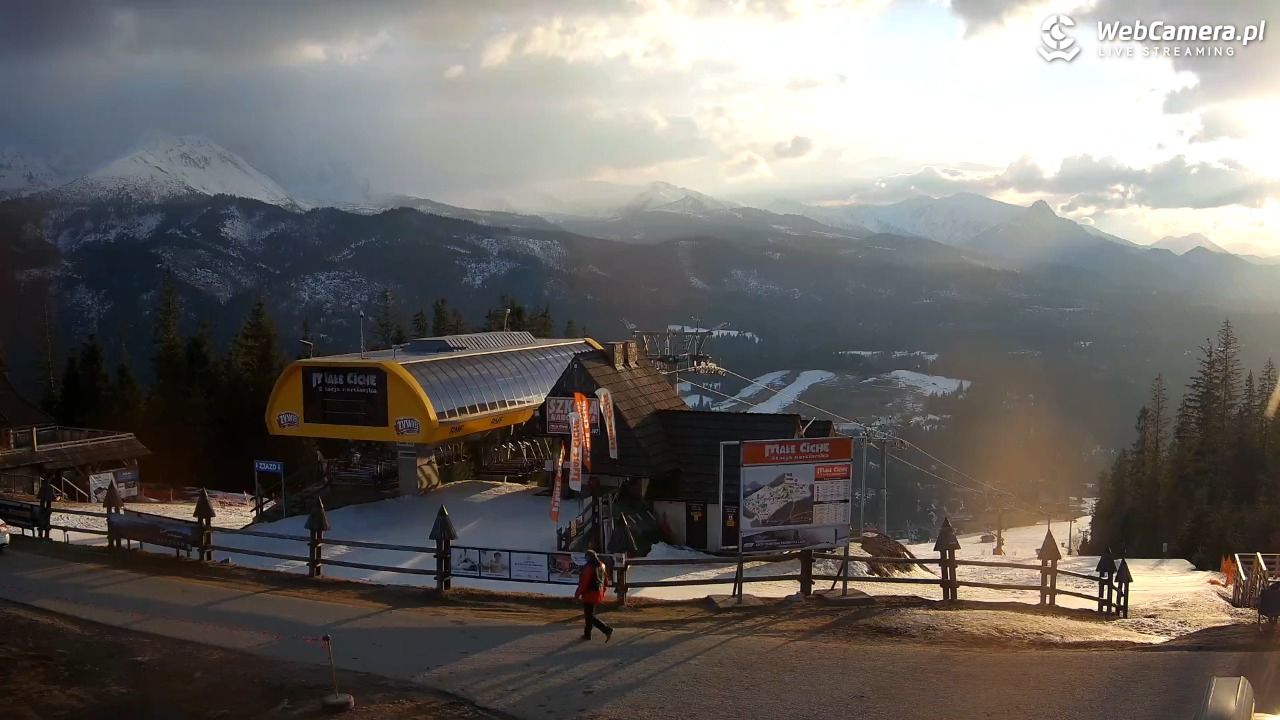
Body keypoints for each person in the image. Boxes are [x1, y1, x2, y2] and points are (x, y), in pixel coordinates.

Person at [574, 549, 613, 642]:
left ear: (588, 557)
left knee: (589, 616)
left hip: (589, 593)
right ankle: (587, 634)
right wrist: (603, 591)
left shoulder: (588, 567)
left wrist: (577, 594)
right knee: (589, 614)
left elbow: (584, 582)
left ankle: (606, 629)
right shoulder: (601, 565)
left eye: (586, 557)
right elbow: (605, 580)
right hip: (597, 592)